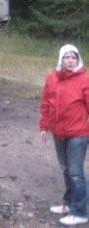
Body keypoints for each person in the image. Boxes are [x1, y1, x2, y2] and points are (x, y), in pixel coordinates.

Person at [39, 45, 89, 226]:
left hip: (78, 133)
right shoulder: (53, 78)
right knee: (66, 169)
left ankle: (81, 212)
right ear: (61, 59)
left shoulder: (85, 78)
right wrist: (44, 126)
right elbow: (46, 103)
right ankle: (68, 204)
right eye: (66, 57)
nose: (70, 60)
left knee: (76, 173)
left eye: (73, 57)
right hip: (58, 132)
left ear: (78, 59)